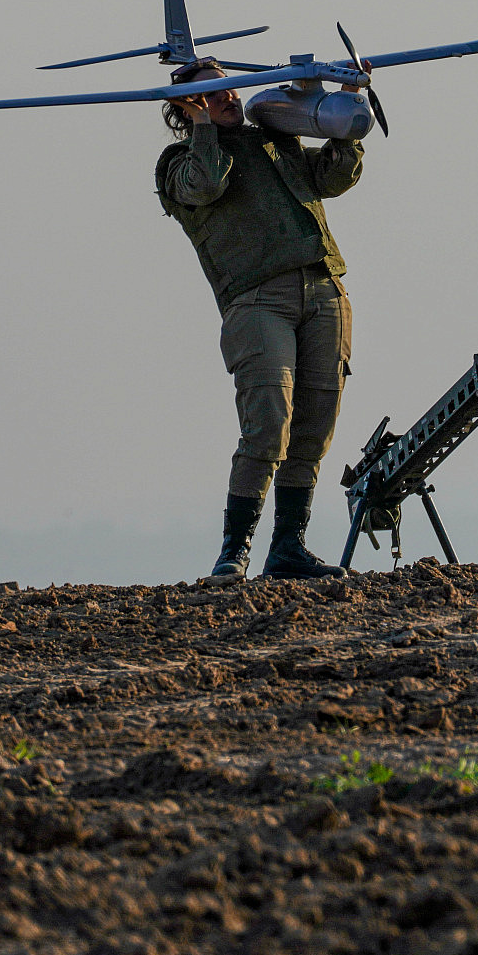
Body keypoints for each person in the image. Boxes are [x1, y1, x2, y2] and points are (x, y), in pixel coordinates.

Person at [156, 61, 366, 580]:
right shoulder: (178, 163)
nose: (225, 98)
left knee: (314, 423)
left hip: (321, 287)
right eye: (208, 94)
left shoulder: (275, 139)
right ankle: (236, 549)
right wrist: (204, 128)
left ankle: (288, 547)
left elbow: (333, 179)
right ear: (183, 108)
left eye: (227, 87)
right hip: (256, 301)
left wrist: (345, 124)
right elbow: (204, 186)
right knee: (267, 421)